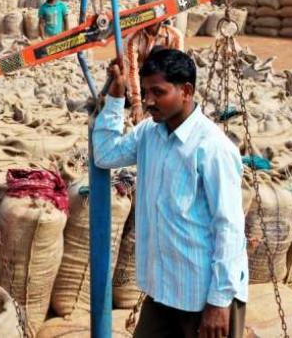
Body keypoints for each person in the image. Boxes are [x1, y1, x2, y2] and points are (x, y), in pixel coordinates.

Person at [94, 49, 248, 338]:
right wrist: (116, 96)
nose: (149, 101)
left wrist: (218, 302)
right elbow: (104, 154)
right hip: (163, 292)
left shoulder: (212, 148)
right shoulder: (148, 135)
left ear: (186, 90)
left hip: (204, 297)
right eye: (146, 91)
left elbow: (229, 228)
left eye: (159, 92)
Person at [125, 22, 185, 123]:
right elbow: (132, 70)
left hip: (162, 81)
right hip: (141, 81)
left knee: (160, 52)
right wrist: (136, 104)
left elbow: (178, 70)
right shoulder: (133, 37)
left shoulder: (174, 36)